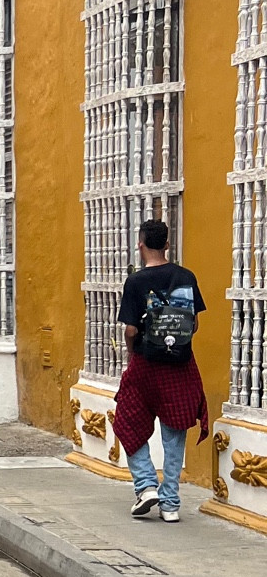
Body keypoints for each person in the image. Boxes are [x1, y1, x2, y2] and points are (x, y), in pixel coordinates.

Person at [114, 218, 208, 523]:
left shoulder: (136, 282)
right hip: (180, 366)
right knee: (174, 434)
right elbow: (194, 323)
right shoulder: (186, 276)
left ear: (140, 243)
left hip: (145, 365)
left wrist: (132, 352)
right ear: (167, 244)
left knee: (127, 422)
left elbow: (130, 329)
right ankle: (170, 503)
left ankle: (145, 486)